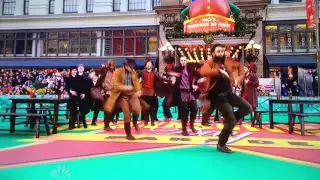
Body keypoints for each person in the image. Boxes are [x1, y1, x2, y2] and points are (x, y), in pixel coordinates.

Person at [198, 44, 252, 153]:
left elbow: (234, 74)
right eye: (218, 51)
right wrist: (219, 71)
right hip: (218, 98)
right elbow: (203, 71)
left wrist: (234, 80)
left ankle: (227, 121)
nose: (221, 53)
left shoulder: (225, 63)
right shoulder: (209, 63)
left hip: (229, 94)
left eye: (222, 51)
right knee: (232, 121)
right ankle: (221, 143)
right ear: (213, 53)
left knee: (247, 108)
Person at [105, 58, 144, 140]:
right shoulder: (118, 71)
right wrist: (126, 88)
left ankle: (135, 121)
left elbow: (136, 82)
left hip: (132, 94)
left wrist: (138, 90)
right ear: (126, 66)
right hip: (122, 95)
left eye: (133, 67)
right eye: (130, 67)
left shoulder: (133, 72)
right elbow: (115, 85)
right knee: (126, 115)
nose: (132, 69)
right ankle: (128, 133)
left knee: (137, 109)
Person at [173, 56, 198, 136]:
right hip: (182, 92)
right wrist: (172, 79)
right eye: (181, 60)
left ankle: (191, 124)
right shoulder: (177, 69)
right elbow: (169, 74)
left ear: (186, 61)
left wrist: (195, 85)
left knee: (194, 108)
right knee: (185, 111)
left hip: (190, 91)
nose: (183, 61)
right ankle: (184, 128)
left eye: (184, 60)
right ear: (180, 61)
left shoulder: (190, 69)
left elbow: (197, 75)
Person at [94, 59, 117, 131]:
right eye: (111, 65)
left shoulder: (114, 71)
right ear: (109, 65)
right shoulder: (104, 70)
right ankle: (106, 125)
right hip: (106, 93)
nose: (112, 66)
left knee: (111, 109)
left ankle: (108, 123)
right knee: (108, 110)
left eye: (113, 65)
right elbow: (96, 71)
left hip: (113, 92)